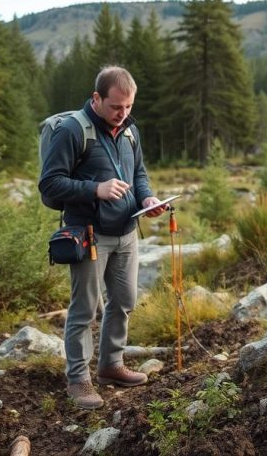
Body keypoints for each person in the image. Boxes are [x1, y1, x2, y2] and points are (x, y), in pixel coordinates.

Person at [39, 65, 166, 410]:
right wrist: (97, 188)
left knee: (123, 301)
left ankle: (111, 365)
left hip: (127, 232)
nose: (122, 114)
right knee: (85, 310)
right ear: (97, 99)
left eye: (128, 107)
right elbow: (49, 184)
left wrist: (148, 198)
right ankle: (78, 379)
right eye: (115, 107)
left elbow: (138, 172)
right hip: (89, 235)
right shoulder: (72, 131)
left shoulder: (128, 131)